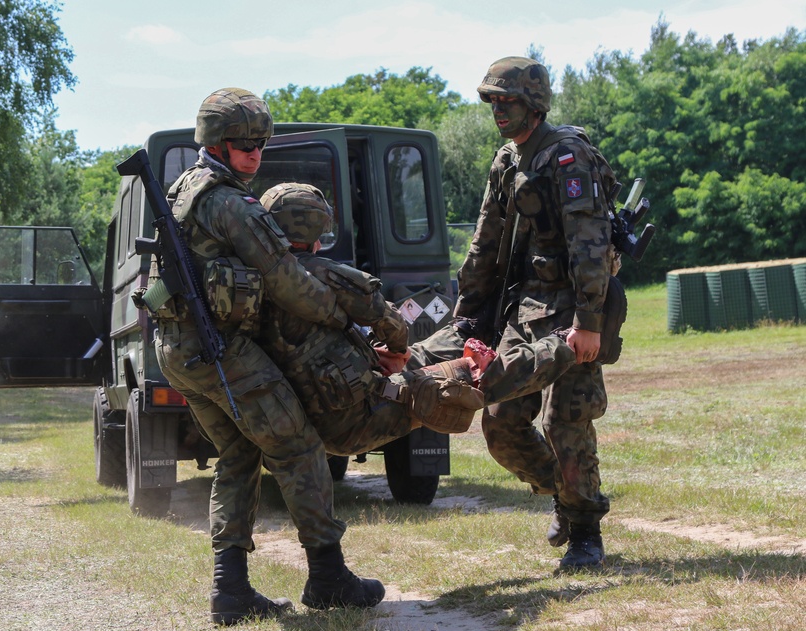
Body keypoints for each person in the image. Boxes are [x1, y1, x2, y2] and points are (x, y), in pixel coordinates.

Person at [145, 88, 383, 625]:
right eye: (242, 144)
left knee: (238, 453)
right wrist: (342, 316)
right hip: (217, 349)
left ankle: (230, 592)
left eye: (260, 143)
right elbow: (287, 281)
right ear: (216, 143)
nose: (253, 153)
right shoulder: (230, 203)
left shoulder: (184, 188)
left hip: (178, 350)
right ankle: (328, 577)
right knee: (297, 446)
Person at [453, 57, 626, 570]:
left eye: (506, 100)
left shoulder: (567, 156)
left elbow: (590, 247)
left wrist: (589, 323)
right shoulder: (506, 162)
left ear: (534, 103)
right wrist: (466, 319)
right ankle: (564, 495)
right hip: (524, 312)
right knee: (502, 423)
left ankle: (585, 532)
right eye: (491, 100)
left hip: (574, 307)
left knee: (565, 420)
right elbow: (484, 245)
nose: (497, 109)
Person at [256, 182, 579, 456]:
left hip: (308, 411)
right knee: (471, 377)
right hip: (353, 418)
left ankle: (462, 333)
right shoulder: (324, 276)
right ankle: (563, 345)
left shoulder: (253, 283)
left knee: (424, 353)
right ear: (316, 230)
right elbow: (394, 326)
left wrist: (372, 356)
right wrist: (396, 351)